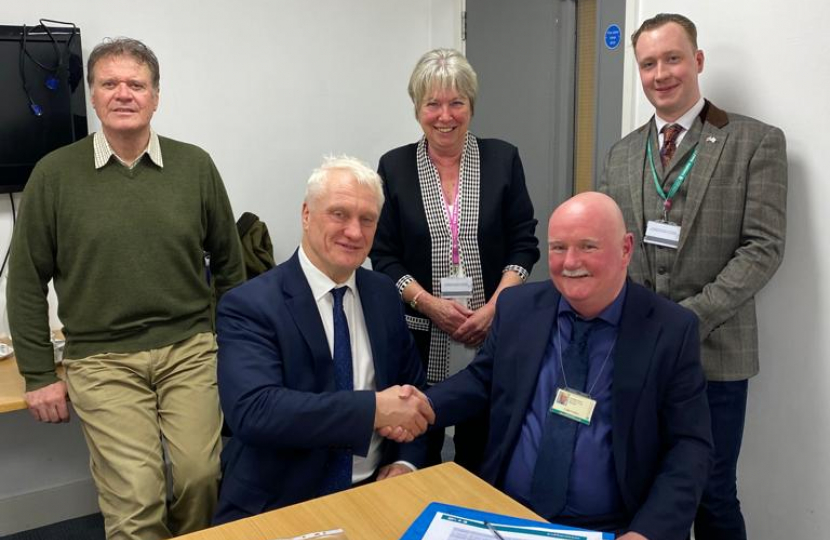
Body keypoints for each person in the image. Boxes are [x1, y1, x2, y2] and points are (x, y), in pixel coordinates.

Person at [7, 38, 245, 540]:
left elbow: (230, 265)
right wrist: (37, 374)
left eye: (136, 84)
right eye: (109, 83)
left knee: (201, 479)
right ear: (92, 96)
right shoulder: (54, 175)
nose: (123, 93)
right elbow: (26, 280)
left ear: (155, 96)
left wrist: (231, 346)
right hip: (101, 358)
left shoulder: (195, 166)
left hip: (190, 350)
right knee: (137, 497)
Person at [420, 192, 713, 539]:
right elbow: (481, 381)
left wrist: (646, 533)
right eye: (558, 248)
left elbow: (689, 447)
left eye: (588, 246)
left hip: (612, 528)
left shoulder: (670, 329)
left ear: (625, 249)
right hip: (505, 516)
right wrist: (421, 405)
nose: (570, 262)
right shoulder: (518, 307)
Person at [597, 13, 787, 539]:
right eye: (648, 63)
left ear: (697, 61)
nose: (661, 73)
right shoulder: (621, 153)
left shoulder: (755, 142)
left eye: (673, 58)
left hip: (716, 356)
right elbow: (611, 250)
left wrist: (685, 320)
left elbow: (763, 248)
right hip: (634, 352)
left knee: (712, 493)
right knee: (643, 486)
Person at [213, 156, 434, 524]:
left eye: (367, 220)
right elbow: (255, 411)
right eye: (339, 214)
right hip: (283, 501)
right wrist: (373, 409)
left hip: (377, 492)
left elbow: (413, 395)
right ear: (306, 214)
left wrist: (404, 463)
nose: (354, 232)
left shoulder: (383, 295)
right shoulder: (250, 304)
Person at [370, 48, 539, 472]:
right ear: (417, 109)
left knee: (483, 452)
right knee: (416, 448)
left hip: (492, 332)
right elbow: (383, 255)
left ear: (471, 106)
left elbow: (524, 243)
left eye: (456, 103)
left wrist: (495, 307)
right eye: (433, 104)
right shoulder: (394, 167)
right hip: (418, 335)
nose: (445, 115)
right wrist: (428, 303)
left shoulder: (503, 159)